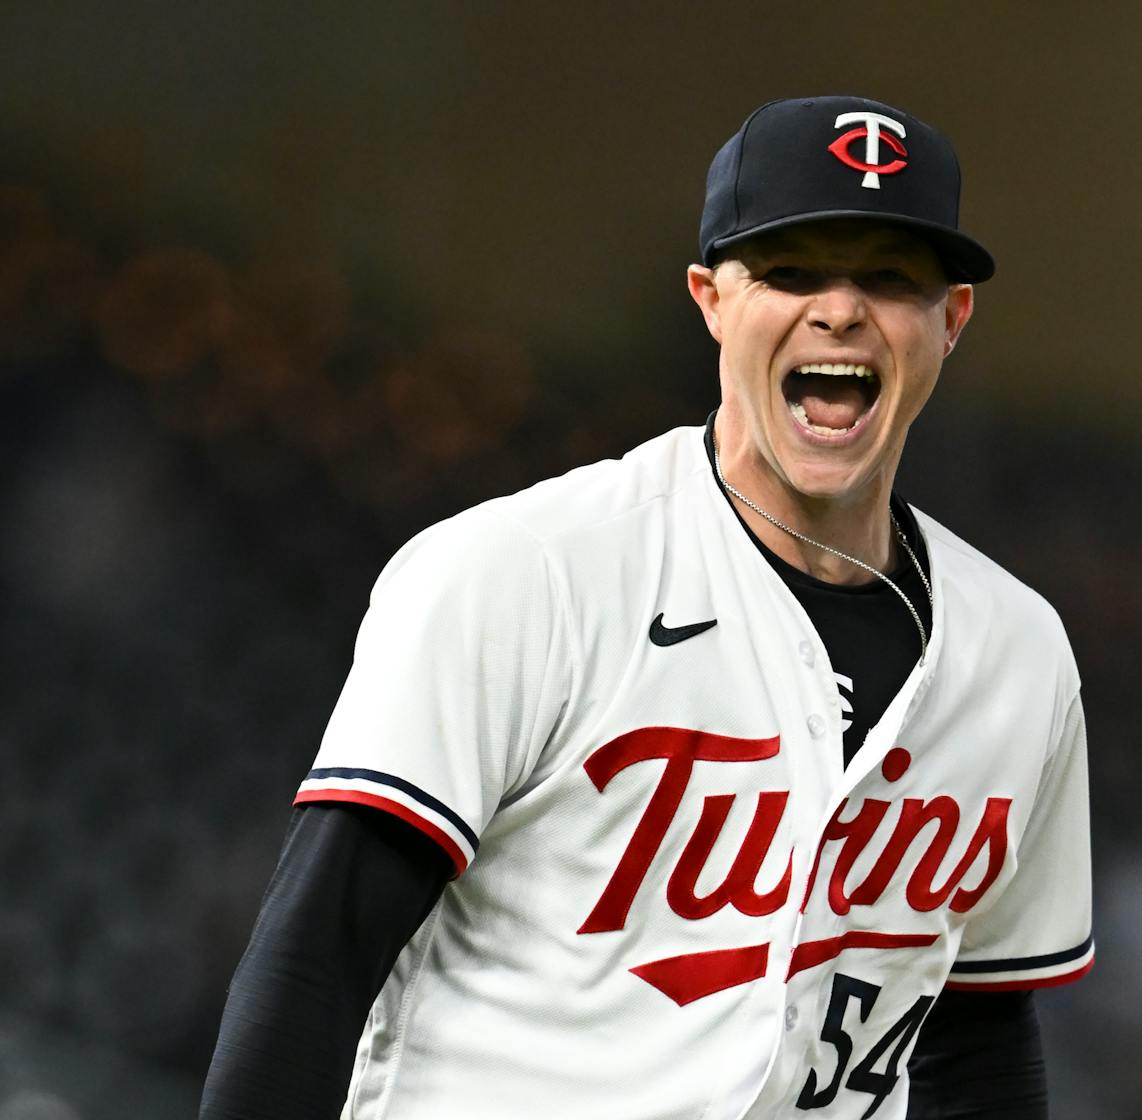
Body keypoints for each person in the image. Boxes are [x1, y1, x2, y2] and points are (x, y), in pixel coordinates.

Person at [200, 94, 1093, 1120]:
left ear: (951, 319)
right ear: (711, 299)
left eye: (889, 278)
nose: (840, 310)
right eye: (791, 270)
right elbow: (318, 955)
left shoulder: (1018, 654)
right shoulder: (525, 572)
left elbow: (976, 1039)